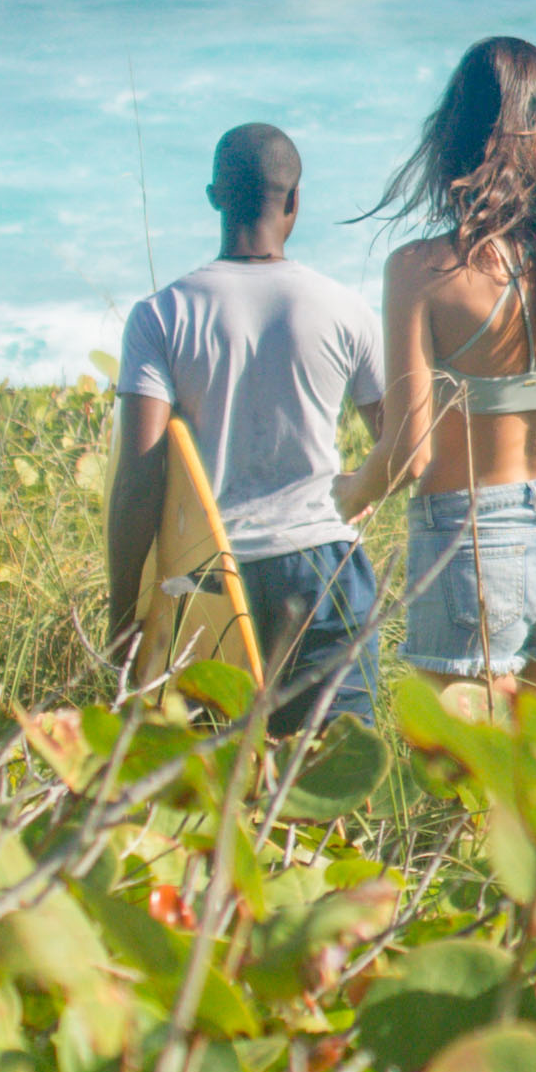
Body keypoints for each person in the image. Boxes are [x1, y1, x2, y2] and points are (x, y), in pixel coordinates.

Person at [334, 36, 536, 703]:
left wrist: (351, 495)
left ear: (452, 135)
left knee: (462, 765)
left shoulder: (422, 271)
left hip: (470, 544)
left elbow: (408, 453)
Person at [108, 121, 386, 734]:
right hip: (323, 566)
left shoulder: (161, 314)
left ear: (215, 197)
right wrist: (360, 486)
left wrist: (123, 612)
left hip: (208, 579)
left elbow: (139, 479)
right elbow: (404, 444)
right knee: (328, 770)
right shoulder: (345, 308)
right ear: (295, 201)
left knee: (214, 776)